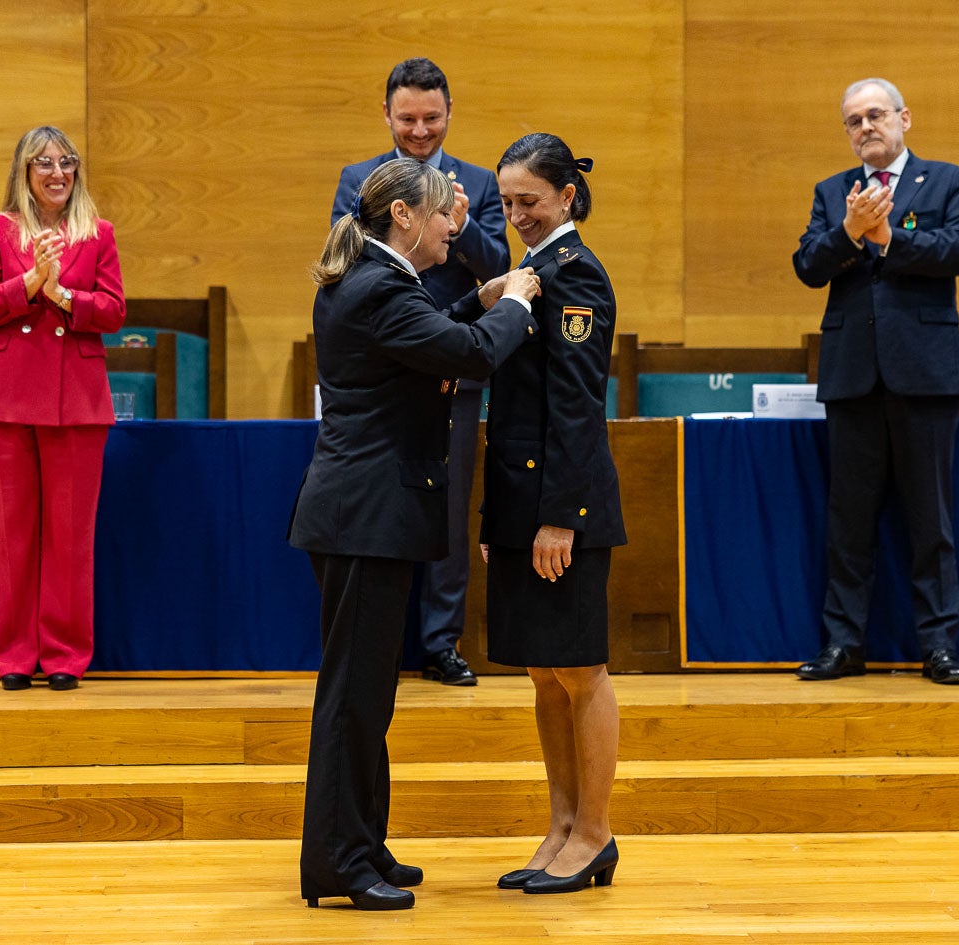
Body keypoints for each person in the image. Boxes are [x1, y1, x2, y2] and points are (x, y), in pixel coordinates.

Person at [290, 158, 541, 911]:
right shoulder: (379, 287)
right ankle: (338, 861)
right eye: (441, 216)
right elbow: (466, 354)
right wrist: (517, 303)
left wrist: (476, 296)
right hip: (366, 516)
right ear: (402, 215)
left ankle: (362, 842)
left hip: (360, 513)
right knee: (353, 697)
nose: (451, 227)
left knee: (366, 694)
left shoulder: (369, 280)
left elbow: (429, 335)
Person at [792, 78, 959, 686]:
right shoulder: (831, 193)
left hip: (923, 373)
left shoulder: (949, 180)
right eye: (853, 121)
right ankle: (844, 644)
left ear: (904, 118)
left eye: (876, 115)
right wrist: (848, 234)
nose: (865, 127)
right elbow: (806, 266)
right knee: (848, 520)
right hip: (852, 373)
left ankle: (939, 647)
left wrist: (891, 239)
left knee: (932, 519)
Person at [330, 57, 511, 687]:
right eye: (407, 117)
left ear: (450, 114)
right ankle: (385, 638)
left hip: (454, 366)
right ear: (386, 114)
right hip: (386, 365)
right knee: (384, 502)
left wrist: (455, 226)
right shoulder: (360, 179)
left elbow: (498, 266)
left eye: (431, 118)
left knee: (449, 505)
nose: (419, 130)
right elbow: (348, 259)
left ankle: (441, 641)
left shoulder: (481, 183)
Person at [481, 133, 625, 895]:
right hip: (521, 503)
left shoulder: (576, 275)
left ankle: (595, 831)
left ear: (567, 197)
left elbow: (574, 405)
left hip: (561, 506)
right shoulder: (530, 272)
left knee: (579, 668)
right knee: (542, 672)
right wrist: (496, 518)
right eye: (506, 203)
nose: (516, 216)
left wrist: (559, 516)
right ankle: (560, 823)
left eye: (529, 202)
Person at [0, 125, 126, 692]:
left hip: (76, 399)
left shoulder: (97, 232)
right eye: (44, 164)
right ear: (24, 173)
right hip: (5, 395)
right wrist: (31, 281)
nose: (57, 173)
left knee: (69, 534)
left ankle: (63, 655)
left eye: (67, 162)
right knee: (10, 534)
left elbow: (113, 311)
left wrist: (63, 297)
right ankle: (12, 656)